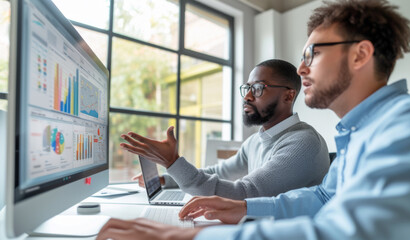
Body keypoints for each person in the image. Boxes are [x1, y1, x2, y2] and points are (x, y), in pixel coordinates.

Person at [96, 0, 410, 239]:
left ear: (359, 55)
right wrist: (243, 208)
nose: (301, 69)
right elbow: (324, 198)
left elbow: (360, 231)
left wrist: (190, 237)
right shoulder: (356, 133)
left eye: (313, 54)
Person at [121, 59, 330, 200]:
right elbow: (217, 172)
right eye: (247, 88)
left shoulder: (304, 143)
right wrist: (165, 179)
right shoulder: (255, 142)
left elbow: (243, 194)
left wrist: (173, 162)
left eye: (258, 88)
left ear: (288, 96)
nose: (247, 96)